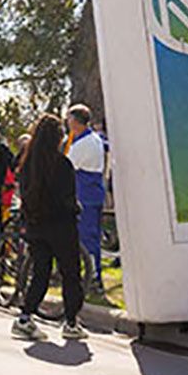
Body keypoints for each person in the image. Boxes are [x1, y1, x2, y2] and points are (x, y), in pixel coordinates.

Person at [11, 114, 87, 341]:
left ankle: (25, 317)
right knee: (70, 274)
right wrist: (76, 209)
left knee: (40, 274)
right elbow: (67, 199)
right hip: (62, 226)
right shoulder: (62, 164)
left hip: (36, 227)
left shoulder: (27, 165)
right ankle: (71, 322)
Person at [66, 104, 107, 291]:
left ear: (75, 122)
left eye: (69, 119)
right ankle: (92, 273)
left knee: (87, 237)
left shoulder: (83, 144)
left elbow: (68, 166)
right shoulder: (94, 138)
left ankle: (94, 277)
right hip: (94, 192)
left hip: (85, 193)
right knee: (91, 236)